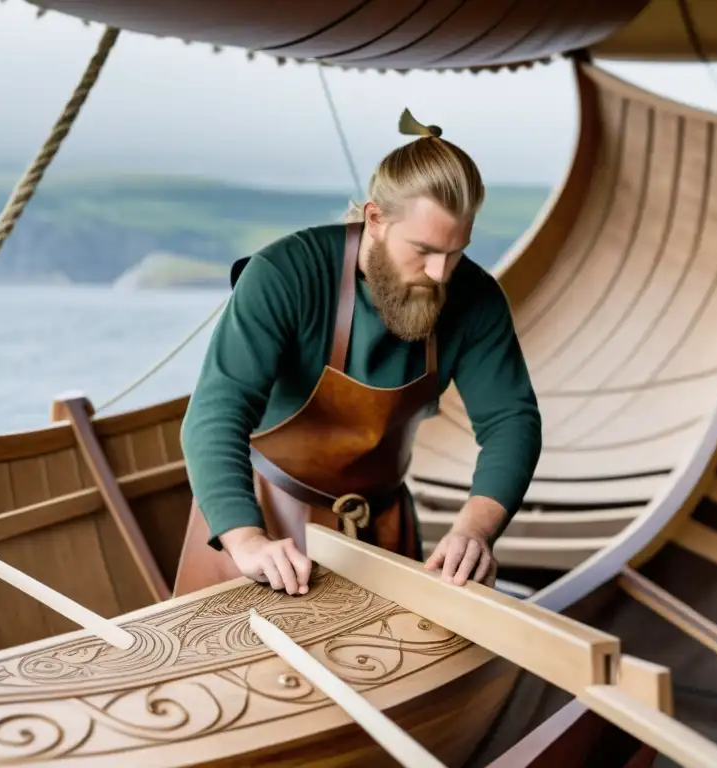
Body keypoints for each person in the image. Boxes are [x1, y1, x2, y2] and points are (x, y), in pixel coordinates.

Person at [172, 108, 542, 599]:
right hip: (261, 521)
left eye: (456, 252)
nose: (439, 273)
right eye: (424, 250)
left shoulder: (474, 296)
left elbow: (512, 421)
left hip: (383, 528)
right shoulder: (283, 275)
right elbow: (215, 415)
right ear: (375, 218)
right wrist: (246, 538)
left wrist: (475, 529)